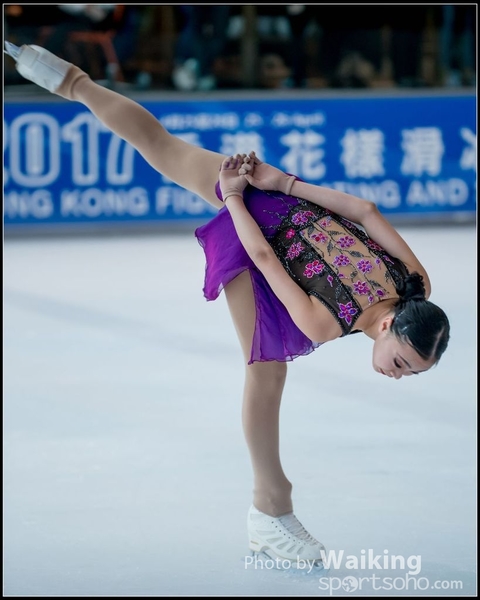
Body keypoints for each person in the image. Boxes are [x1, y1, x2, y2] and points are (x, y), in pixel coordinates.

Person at [5, 42, 450, 570]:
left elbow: (365, 210)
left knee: (160, 144)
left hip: (278, 194)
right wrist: (234, 198)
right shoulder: (324, 324)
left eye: (409, 372)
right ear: (391, 325)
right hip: (251, 231)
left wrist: (281, 183)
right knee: (266, 371)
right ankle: (270, 507)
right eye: (401, 362)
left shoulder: (417, 281)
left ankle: (69, 80)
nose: (397, 375)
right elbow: (262, 258)